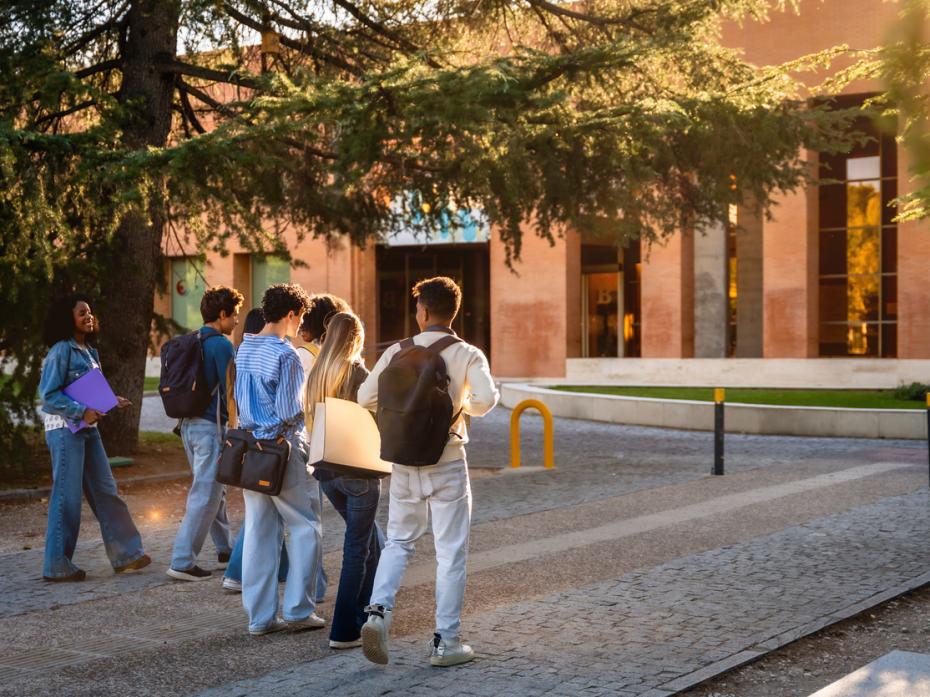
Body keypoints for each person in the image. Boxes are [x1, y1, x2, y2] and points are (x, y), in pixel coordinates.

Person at [358, 276, 499, 667]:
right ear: (453, 311)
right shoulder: (468, 353)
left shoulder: (397, 351)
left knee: (399, 542)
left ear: (421, 311)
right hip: (447, 459)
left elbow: (364, 396)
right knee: (450, 552)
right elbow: (487, 400)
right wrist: (459, 406)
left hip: (403, 460)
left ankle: (377, 613)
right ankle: (445, 642)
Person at [39, 294, 151, 581]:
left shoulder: (89, 351)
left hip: (87, 429)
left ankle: (127, 555)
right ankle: (56, 565)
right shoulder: (61, 350)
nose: (88, 316)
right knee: (67, 497)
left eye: (89, 312)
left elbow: (86, 389)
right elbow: (49, 396)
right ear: (68, 319)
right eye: (81, 313)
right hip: (64, 430)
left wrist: (109, 400)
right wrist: (81, 411)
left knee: (106, 491)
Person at [235, 283, 325, 635]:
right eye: (300, 318)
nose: (299, 325)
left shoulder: (245, 348)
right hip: (282, 448)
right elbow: (291, 410)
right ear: (291, 314)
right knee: (305, 526)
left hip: (250, 450)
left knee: (259, 531)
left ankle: (259, 616)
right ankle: (299, 610)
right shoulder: (286, 354)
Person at [303, 312, 383, 650]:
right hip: (358, 471)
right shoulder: (357, 372)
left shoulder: (317, 372)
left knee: (373, 543)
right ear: (356, 338)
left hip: (327, 471)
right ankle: (345, 629)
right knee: (357, 549)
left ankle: (366, 615)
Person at [167, 286, 243, 582]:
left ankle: (225, 549)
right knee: (206, 492)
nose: (237, 321)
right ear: (222, 314)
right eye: (234, 315)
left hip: (188, 426)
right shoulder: (222, 346)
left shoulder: (193, 340)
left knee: (215, 490)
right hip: (211, 428)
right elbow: (231, 393)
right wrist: (236, 429)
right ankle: (182, 561)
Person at [222, 308, 290, 593]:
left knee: (265, 508)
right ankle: (237, 572)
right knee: (265, 511)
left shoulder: (240, 356)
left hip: (244, 440)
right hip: (263, 443)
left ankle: (282, 568)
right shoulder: (266, 355)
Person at [295, 293, 349, 602]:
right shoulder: (323, 355)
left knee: (305, 518)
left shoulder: (309, 354)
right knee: (308, 519)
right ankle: (314, 585)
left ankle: (314, 584)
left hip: (316, 443)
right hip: (323, 444)